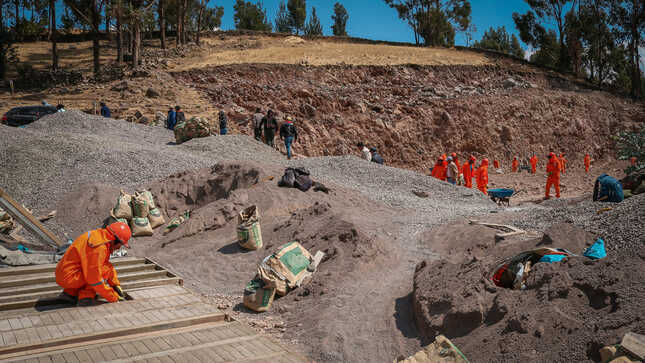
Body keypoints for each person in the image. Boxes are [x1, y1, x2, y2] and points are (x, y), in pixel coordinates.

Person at [55, 222, 131, 306]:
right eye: (120, 245)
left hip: (66, 274)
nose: (119, 248)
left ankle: (70, 294)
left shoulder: (99, 236)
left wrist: (115, 284)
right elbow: (95, 279)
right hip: (69, 278)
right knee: (99, 273)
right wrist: (113, 297)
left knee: (104, 267)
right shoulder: (99, 248)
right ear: (115, 240)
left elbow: (105, 264)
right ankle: (85, 298)